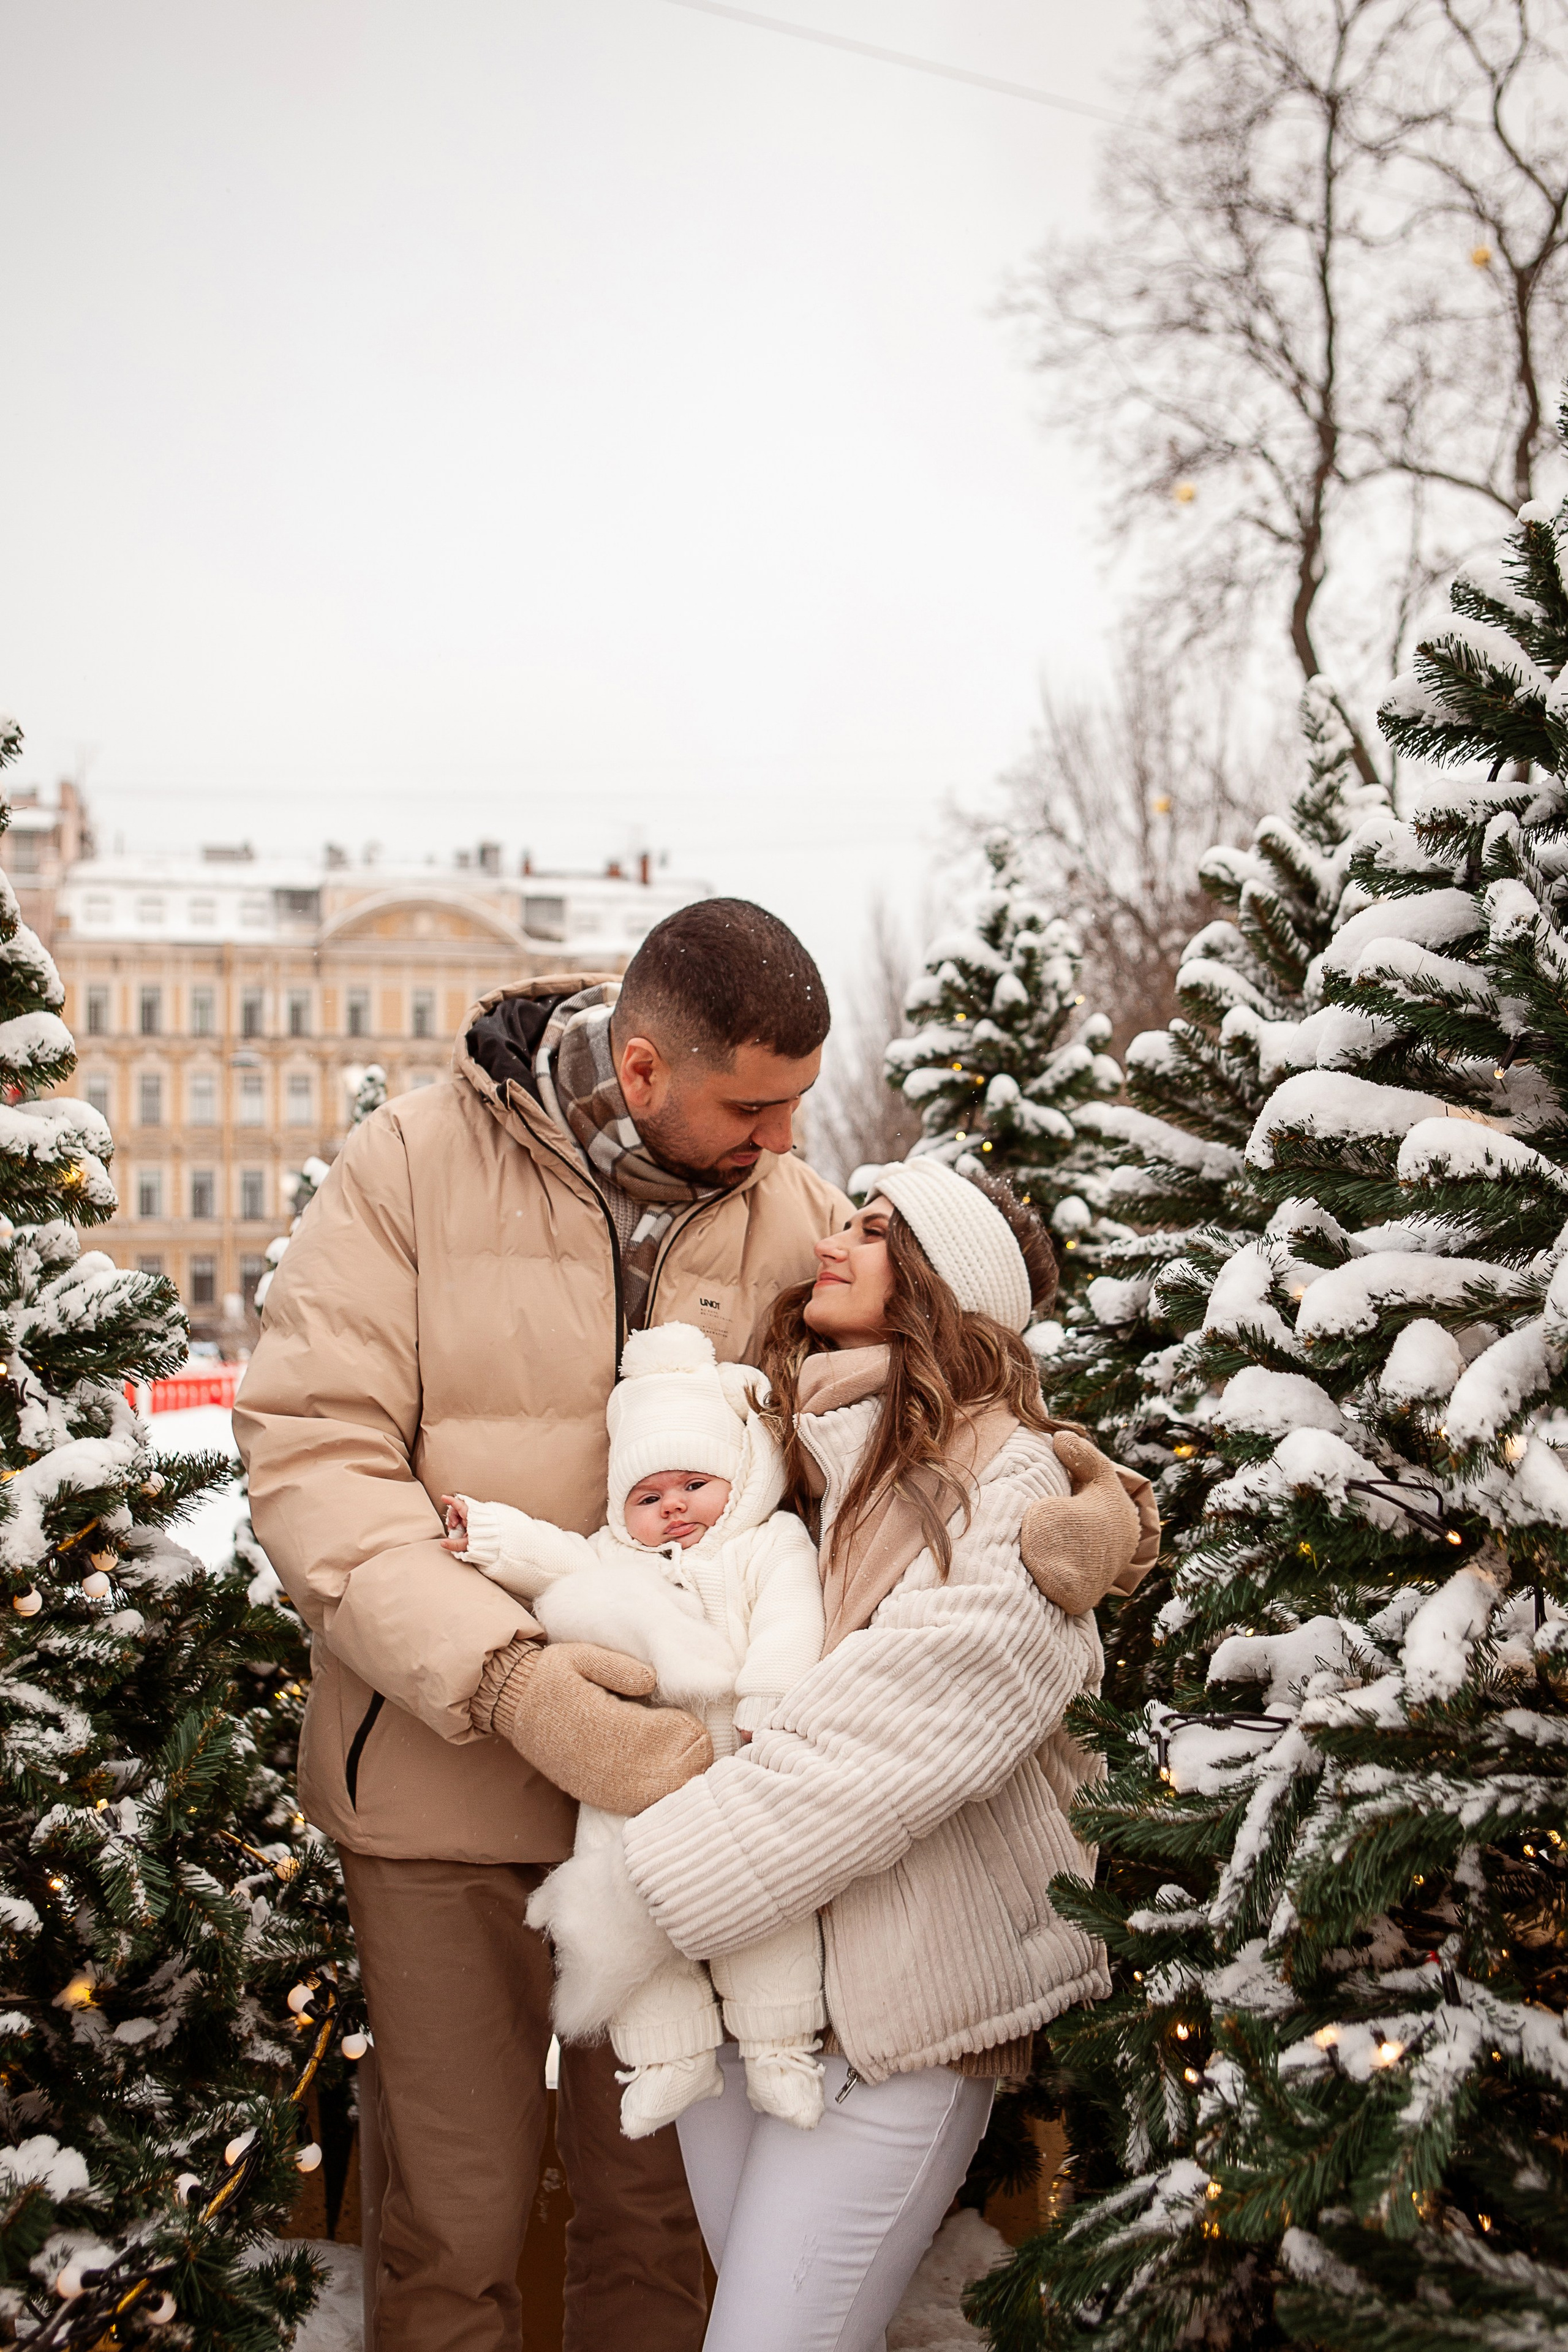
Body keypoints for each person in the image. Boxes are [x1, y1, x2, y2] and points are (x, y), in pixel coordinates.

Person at [233, 899, 852, 2352]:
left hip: (681, 1817)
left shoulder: (796, 1212)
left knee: (662, 2221)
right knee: (454, 2219)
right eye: (751, 1107)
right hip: (445, 1801)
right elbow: (316, 1456)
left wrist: (1040, 1476)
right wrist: (511, 1682)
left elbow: (908, 1414)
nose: (777, 1144)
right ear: (641, 1071)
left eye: (796, 1111)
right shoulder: (407, 1169)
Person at [561, 1157, 1158, 2352]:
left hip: (905, 2008)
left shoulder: (1010, 1479)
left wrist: (651, 1887)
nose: (835, 1240)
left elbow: (907, 1726)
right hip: (752, 1987)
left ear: (942, 1282)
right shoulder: (781, 1450)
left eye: (875, 1230)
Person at [441, 1320, 827, 2142]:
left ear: (740, 1477)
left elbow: (795, 1618)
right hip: (635, 1772)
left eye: (695, 1483)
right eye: (648, 1497)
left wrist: (768, 1701)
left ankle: (781, 2044)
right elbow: (551, 1559)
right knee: (625, 1905)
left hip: (744, 1760)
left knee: (768, 1906)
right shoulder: (610, 1557)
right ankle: (666, 2057)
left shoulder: (766, 1544)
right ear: (623, 1510)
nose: (674, 1507)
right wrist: (489, 1535)